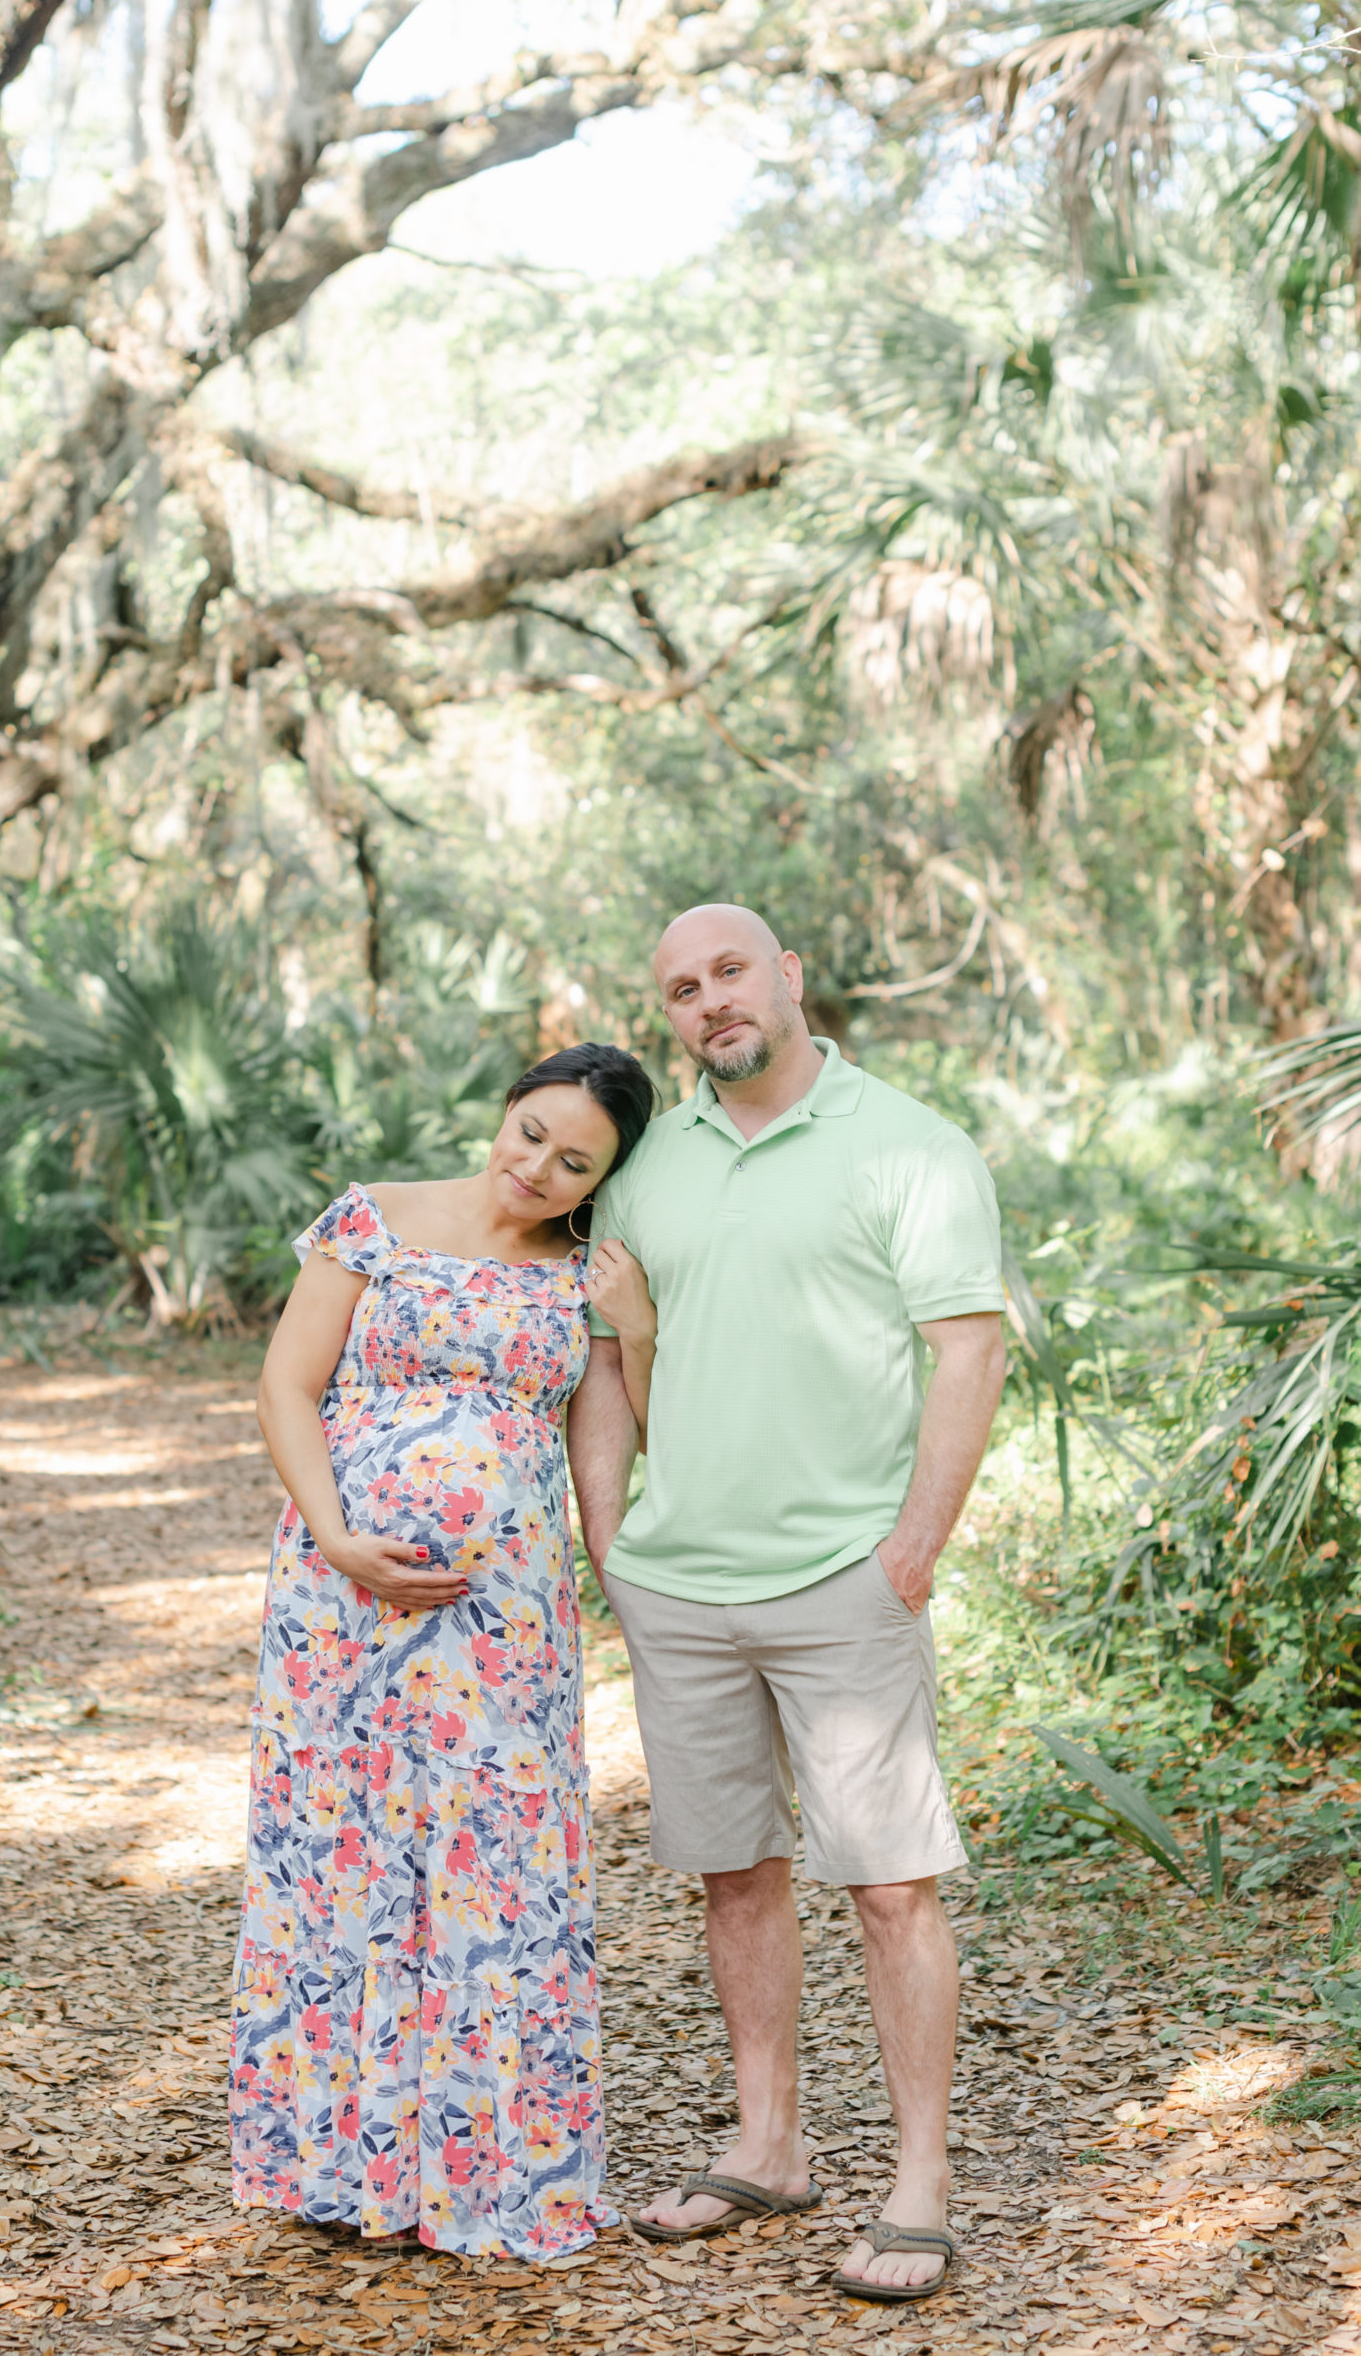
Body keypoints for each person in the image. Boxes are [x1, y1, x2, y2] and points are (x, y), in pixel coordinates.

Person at [576, 905, 1005, 2306]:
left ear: (791, 977)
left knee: (887, 1885)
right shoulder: (643, 1174)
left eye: (730, 973)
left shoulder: (911, 1148)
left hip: (843, 1580)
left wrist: (913, 1546)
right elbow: (605, 1371)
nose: (709, 1003)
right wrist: (611, 1550)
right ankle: (768, 2144)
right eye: (680, 989)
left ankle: (920, 2182)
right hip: (680, 1584)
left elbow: (964, 1351)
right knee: (734, 1874)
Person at [232, 1043, 657, 2262]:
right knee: (342, 1851)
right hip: (339, 1603)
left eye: (573, 1162)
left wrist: (630, 1339)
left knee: (492, 1863)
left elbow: (604, 1459)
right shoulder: (372, 1218)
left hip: (503, 1622)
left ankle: (493, 2168)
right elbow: (284, 1384)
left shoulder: (582, 1278)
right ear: (505, 1112)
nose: (536, 1167)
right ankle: (339, 2161)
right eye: (530, 1132)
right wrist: (339, 1538)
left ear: (599, 1181)